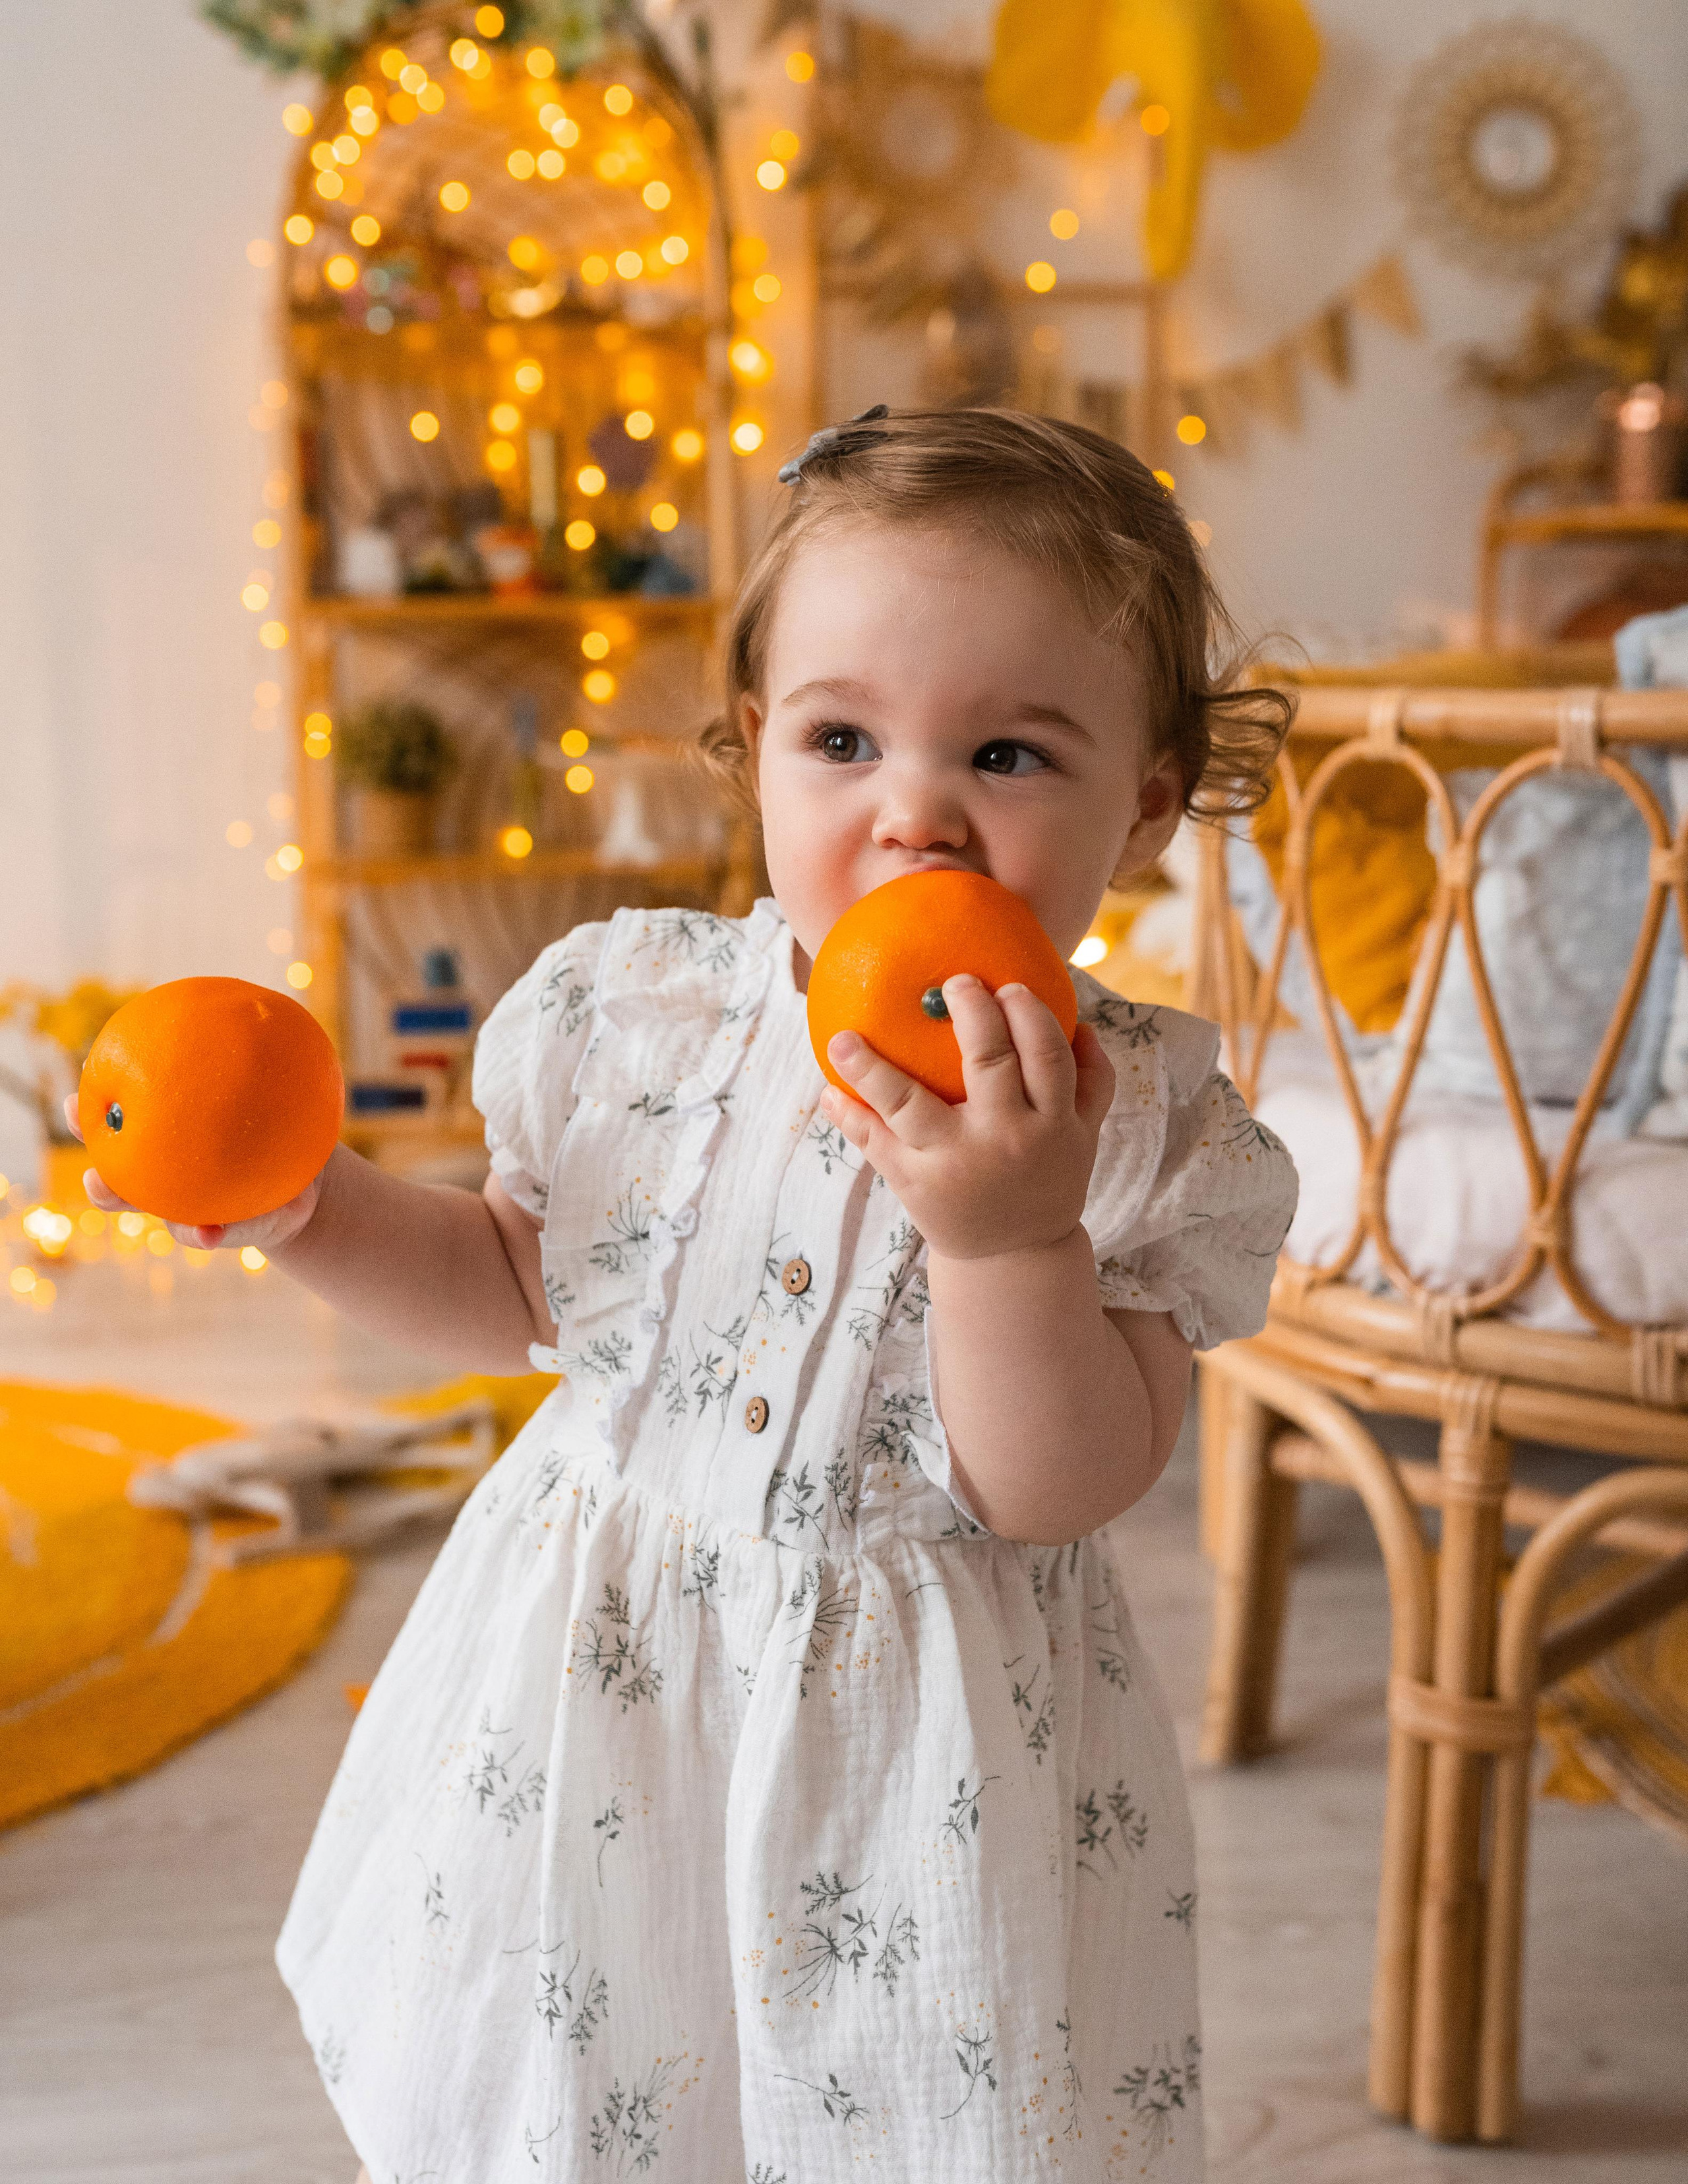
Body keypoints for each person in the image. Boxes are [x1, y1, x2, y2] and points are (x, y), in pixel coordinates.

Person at [76, 407, 1297, 2181]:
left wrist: (1009, 1239)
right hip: (604, 1692)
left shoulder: (1134, 1119)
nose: (916, 815)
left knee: (895, 2117)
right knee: (591, 2080)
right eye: (842, 740)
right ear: (754, 750)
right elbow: (514, 1288)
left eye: (1011, 754)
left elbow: (1060, 1485)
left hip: (911, 1755)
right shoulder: (635, 1019)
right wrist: (308, 1208)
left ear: (1147, 810)